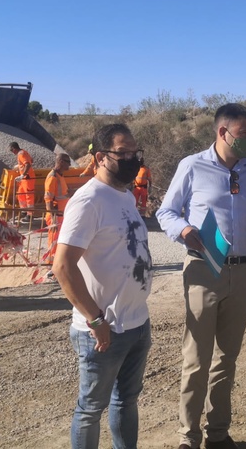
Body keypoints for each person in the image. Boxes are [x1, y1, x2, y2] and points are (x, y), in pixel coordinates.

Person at [156, 103, 246, 449]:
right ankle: (188, 437)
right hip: (203, 269)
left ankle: (218, 434)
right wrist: (184, 229)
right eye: (243, 134)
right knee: (196, 359)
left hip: (243, 271)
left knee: (226, 359)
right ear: (223, 132)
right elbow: (165, 212)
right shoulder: (192, 166)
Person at [51, 123, 153, 449]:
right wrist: (95, 319)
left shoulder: (123, 194)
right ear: (100, 158)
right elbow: (63, 266)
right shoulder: (88, 201)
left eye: (134, 152)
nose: (131, 159)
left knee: (126, 401)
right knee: (91, 409)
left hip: (136, 322)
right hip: (103, 330)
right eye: (122, 153)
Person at [44, 152, 71, 265]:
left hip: (61, 215)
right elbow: (48, 200)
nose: (69, 165)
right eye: (67, 162)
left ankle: (56, 264)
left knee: (59, 241)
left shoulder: (60, 176)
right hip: (56, 216)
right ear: (60, 162)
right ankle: (50, 265)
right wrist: (53, 218)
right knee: (54, 242)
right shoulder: (53, 177)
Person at [9, 141, 35, 221]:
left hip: (28, 179)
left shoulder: (21, 154)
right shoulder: (23, 152)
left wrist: (22, 174)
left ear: (14, 149)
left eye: (11, 150)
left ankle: (30, 216)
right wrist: (20, 166)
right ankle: (24, 212)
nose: (12, 152)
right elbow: (31, 160)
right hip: (24, 179)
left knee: (29, 197)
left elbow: (28, 164)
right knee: (20, 195)